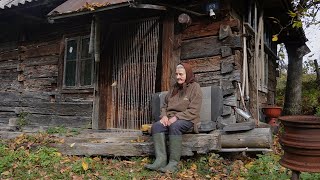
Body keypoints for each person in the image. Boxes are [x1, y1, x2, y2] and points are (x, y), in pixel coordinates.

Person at [145, 62, 202, 173]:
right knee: (156, 126)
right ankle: (160, 160)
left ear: (188, 74)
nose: (178, 77)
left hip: (188, 119)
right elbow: (165, 106)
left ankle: (173, 163)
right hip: (170, 118)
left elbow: (194, 111)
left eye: (181, 74)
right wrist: (164, 116)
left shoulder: (195, 88)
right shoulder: (174, 88)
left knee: (175, 126)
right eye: (176, 74)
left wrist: (176, 117)